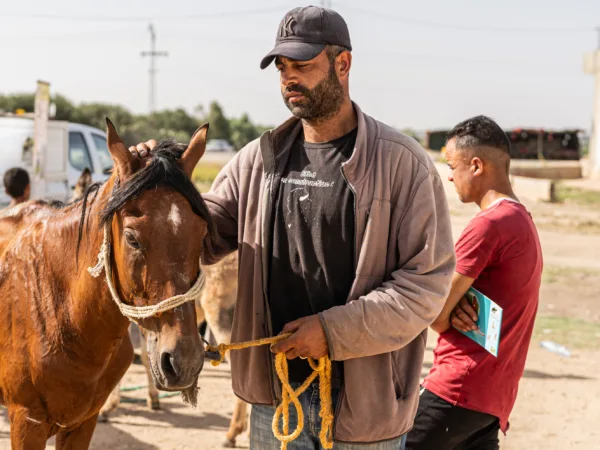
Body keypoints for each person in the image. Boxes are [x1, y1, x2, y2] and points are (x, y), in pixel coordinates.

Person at [130, 6, 455, 449]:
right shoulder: (256, 161)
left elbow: (425, 287)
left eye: (302, 64)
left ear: (343, 64)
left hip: (364, 408)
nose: (289, 77)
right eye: (282, 67)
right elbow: (200, 239)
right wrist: (156, 182)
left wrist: (330, 332)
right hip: (274, 402)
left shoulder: (402, 165)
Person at [406, 116, 543, 450]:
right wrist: (455, 307)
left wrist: (450, 310)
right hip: (492, 400)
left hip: (457, 387)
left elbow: (436, 315)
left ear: (477, 165)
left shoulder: (489, 225)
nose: (450, 175)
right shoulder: (522, 220)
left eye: (453, 165)